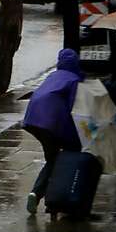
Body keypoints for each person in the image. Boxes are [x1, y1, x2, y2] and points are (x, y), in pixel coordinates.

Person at [21, 46, 83, 216]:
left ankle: (38, 193)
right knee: (67, 154)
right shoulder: (74, 79)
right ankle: (53, 197)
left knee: (52, 158)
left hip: (32, 120)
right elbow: (73, 109)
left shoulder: (53, 75)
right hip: (51, 123)